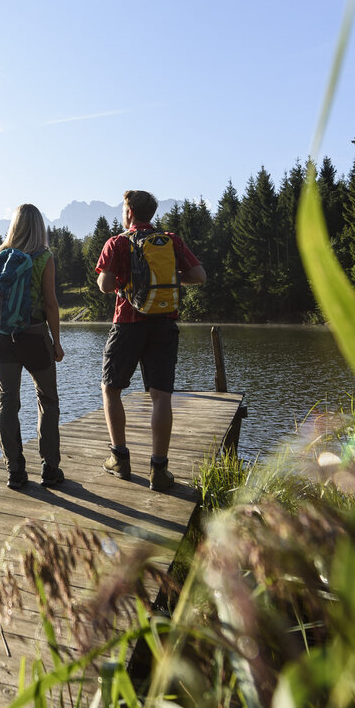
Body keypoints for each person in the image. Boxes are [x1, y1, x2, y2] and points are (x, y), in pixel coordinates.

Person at [94, 190, 206, 492]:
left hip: (128, 323)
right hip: (164, 325)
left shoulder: (117, 243)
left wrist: (128, 280)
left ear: (129, 212)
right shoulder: (170, 241)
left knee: (111, 389)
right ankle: (159, 470)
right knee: (161, 396)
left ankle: (119, 459)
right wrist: (164, 276)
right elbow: (199, 275)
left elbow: (104, 285)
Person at [0, 203, 64, 490]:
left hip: (4, 338)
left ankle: (15, 471)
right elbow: (50, 303)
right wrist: (56, 342)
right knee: (47, 399)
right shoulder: (44, 257)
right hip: (34, 336)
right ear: (39, 227)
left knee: (7, 402)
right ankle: (49, 468)